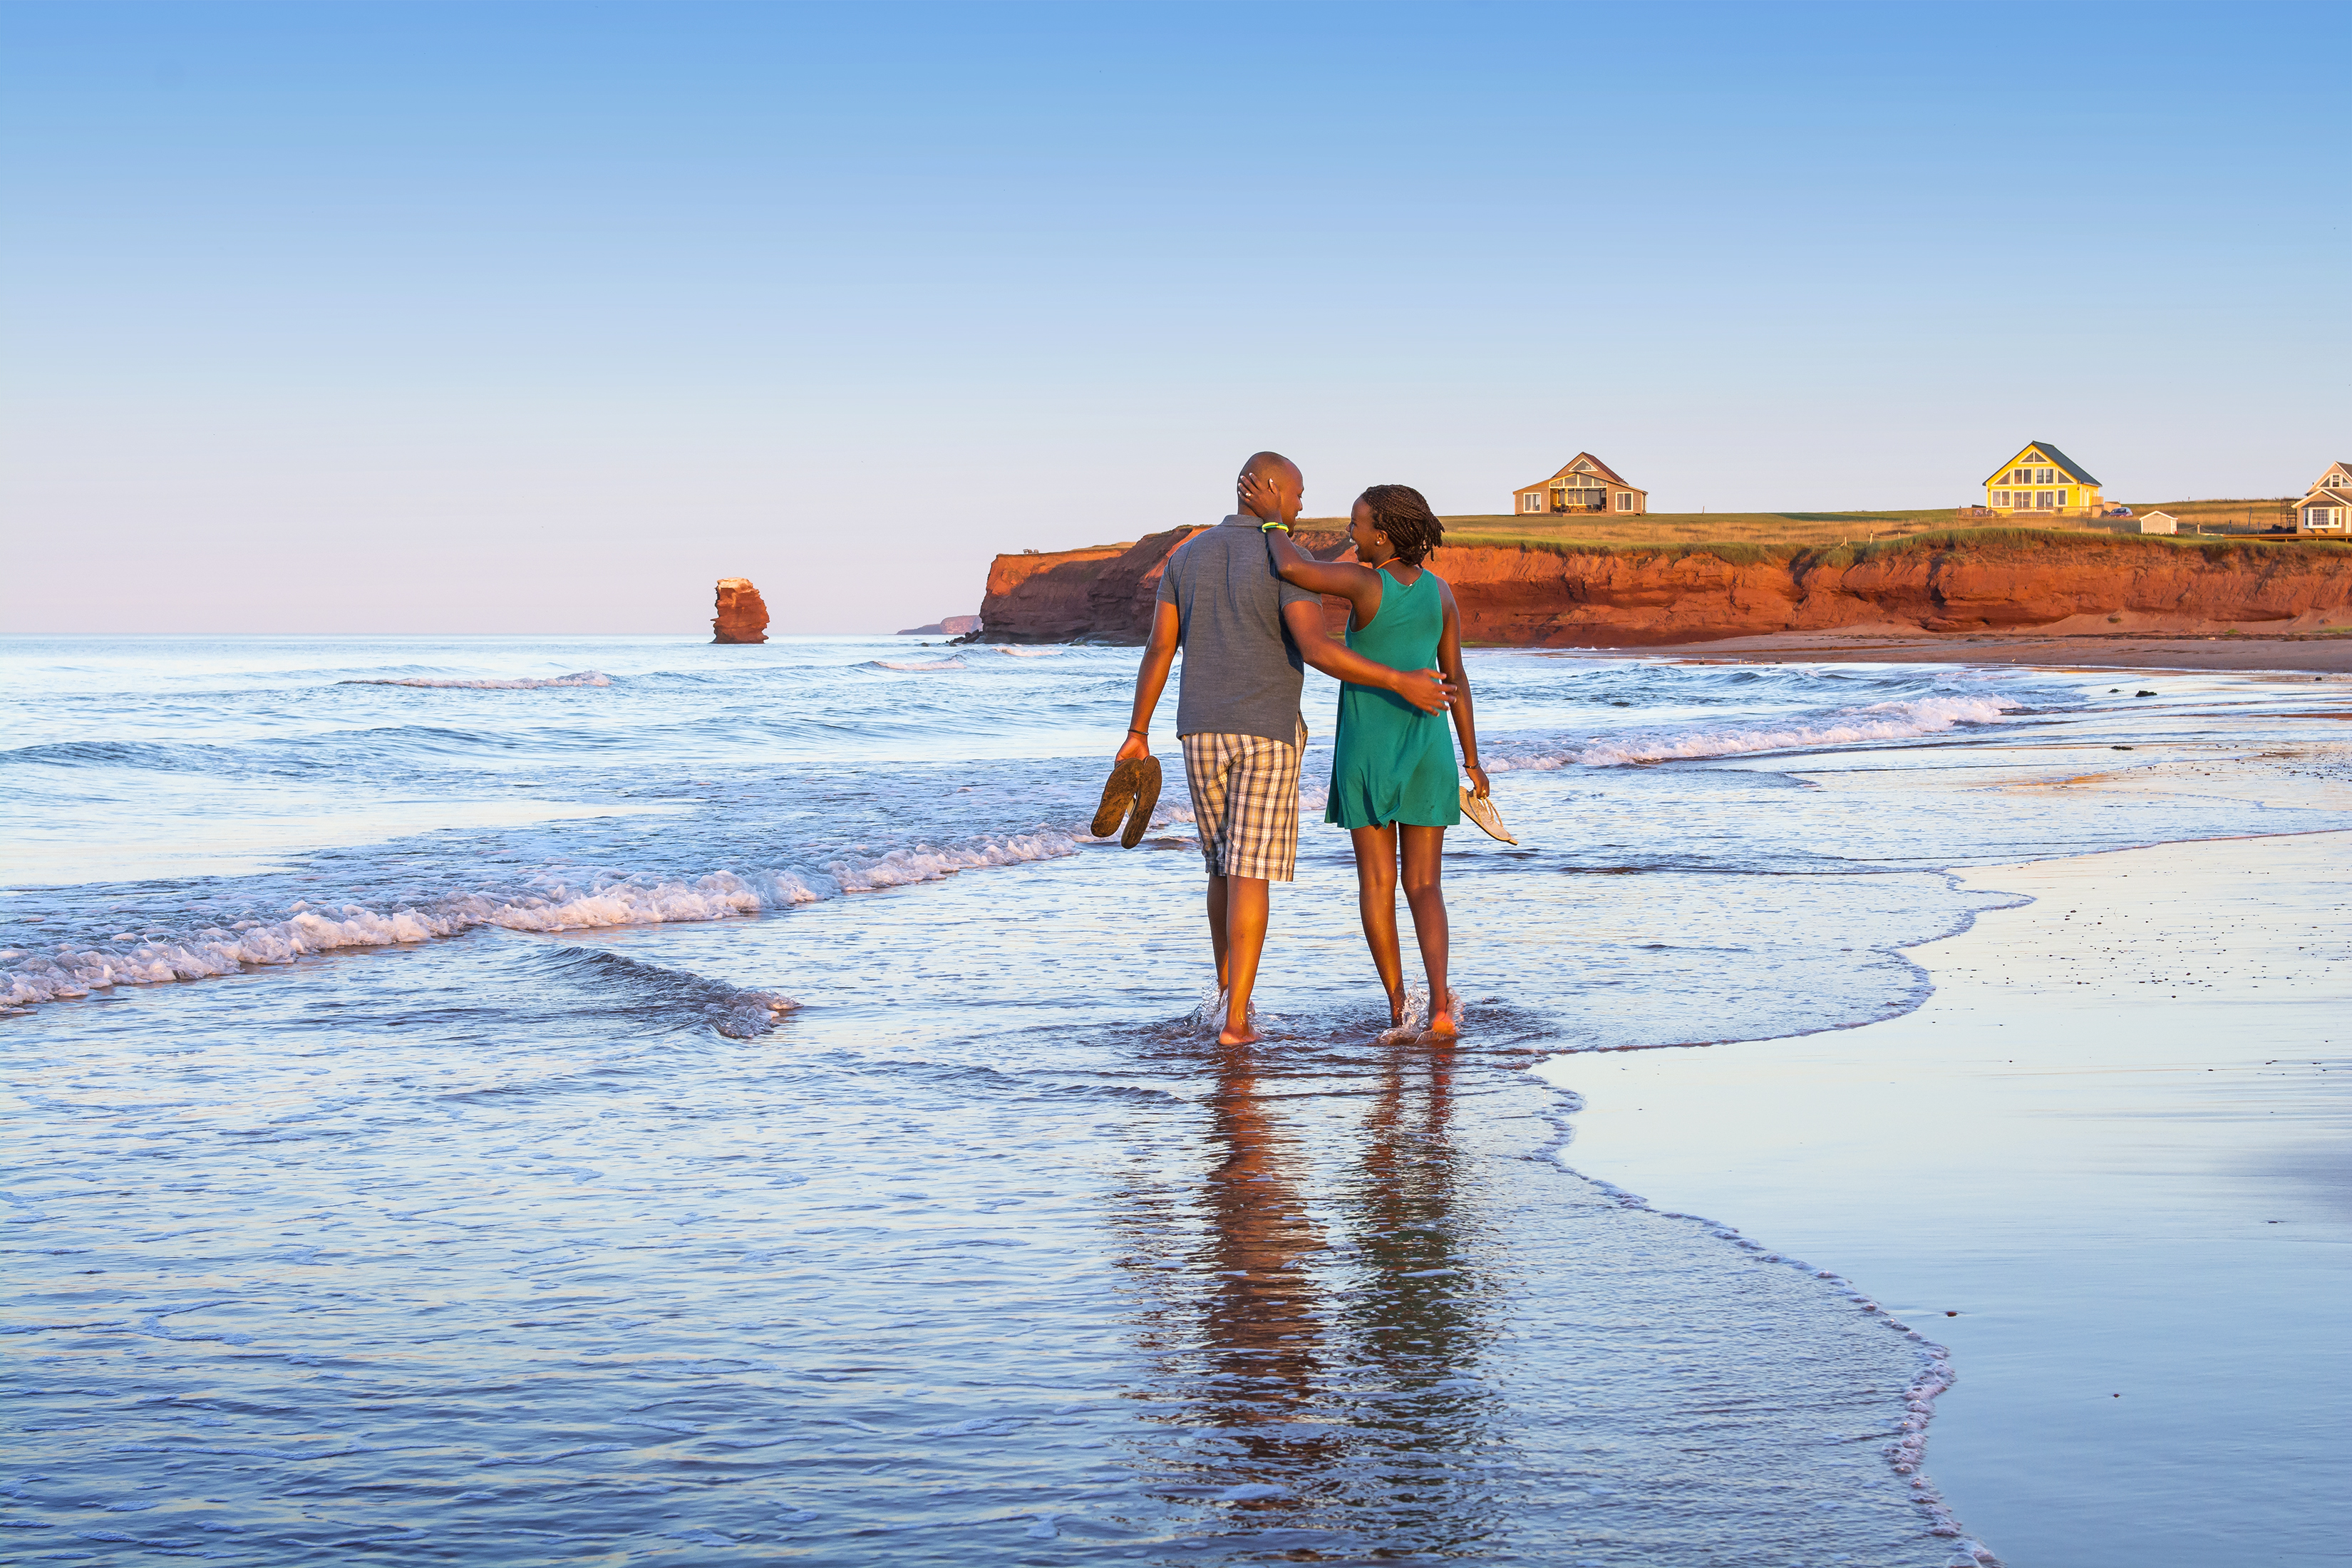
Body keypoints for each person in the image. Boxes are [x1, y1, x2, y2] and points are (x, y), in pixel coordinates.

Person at [1118, 453, 1454, 1046]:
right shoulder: (1285, 566)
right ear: (1268, 490)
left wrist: (1137, 732)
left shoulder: (1187, 555)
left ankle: (1224, 998)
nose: (1300, 505)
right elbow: (1316, 649)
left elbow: (1159, 649)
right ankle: (1238, 1021)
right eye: (1296, 493)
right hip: (1268, 730)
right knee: (1251, 870)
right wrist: (1400, 680)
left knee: (1220, 865)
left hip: (1198, 728)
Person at [1249, 477, 1485, 1040]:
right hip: (1431, 748)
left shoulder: (1362, 584)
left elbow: (1291, 568)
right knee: (1426, 886)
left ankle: (1401, 1005)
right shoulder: (1441, 592)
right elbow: (1458, 680)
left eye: (1357, 525)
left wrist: (1272, 519)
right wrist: (1473, 762)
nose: (1350, 535)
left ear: (1383, 535)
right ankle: (1441, 1008)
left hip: (1369, 751)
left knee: (1378, 885)